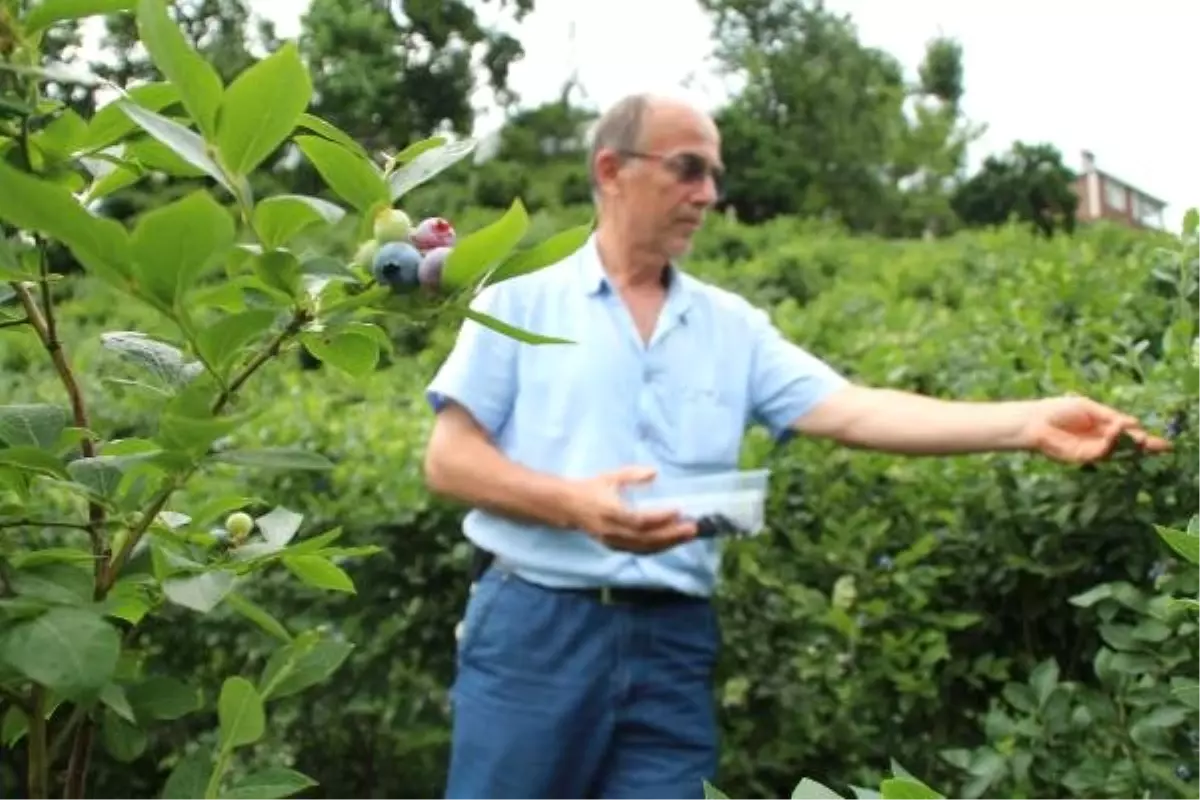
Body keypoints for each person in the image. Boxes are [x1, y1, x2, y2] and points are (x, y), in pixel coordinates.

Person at [420, 92, 1169, 800]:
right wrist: (573, 505)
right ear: (611, 170)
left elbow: (853, 409)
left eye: (714, 172)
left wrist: (1029, 424)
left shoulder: (731, 326)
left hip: (672, 640)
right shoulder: (518, 300)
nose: (708, 192)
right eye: (688, 167)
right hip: (534, 628)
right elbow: (448, 459)